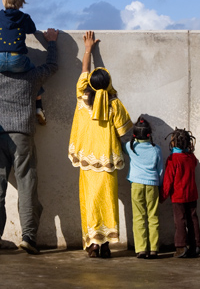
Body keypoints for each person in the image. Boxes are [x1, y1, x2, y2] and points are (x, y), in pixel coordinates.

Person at [0, 26, 59, 256]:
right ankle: (28, 237)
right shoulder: (31, 75)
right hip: (23, 137)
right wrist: (52, 42)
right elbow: (52, 66)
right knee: (27, 186)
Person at [68, 31, 133, 258]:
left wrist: (88, 49)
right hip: (108, 163)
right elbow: (126, 133)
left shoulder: (81, 97)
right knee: (108, 201)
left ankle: (93, 244)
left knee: (89, 202)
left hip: (87, 163)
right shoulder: (115, 105)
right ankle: (105, 245)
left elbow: (85, 72)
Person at [0, 0, 47, 125]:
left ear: (4, 1)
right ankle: (39, 106)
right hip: (18, 59)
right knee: (34, 75)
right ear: (21, 2)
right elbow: (32, 29)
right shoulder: (24, 18)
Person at [123, 115, 163, 259]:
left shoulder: (130, 147)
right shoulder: (156, 149)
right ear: (149, 133)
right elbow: (160, 171)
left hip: (136, 185)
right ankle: (153, 249)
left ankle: (141, 249)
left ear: (134, 134)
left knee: (138, 217)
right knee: (153, 217)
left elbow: (120, 144)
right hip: (153, 185)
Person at [161, 128, 200, 258]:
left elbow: (168, 180)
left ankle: (181, 246)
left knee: (180, 220)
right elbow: (194, 164)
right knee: (193, 218)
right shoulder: (191, 157)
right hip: (191, 194)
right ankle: (196, 245)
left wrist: (162, 196)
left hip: (178, 196)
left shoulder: (173, 159)